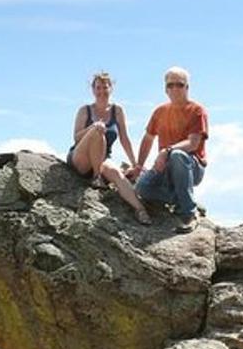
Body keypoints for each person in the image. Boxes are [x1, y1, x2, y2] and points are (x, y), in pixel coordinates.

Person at [129, 66, 208, 233]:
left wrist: (167, 151)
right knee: (142, 188)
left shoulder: (197, 111)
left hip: (191, 167)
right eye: (170, 85)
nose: (174, 89)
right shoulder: (160, 112)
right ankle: (182, 198)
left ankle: (189, 214)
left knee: (177, 155)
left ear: (187, 87)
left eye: (179, 84)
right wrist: (138, 166)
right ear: (165, 89)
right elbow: (148, 139)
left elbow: (193, 144)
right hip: (166, 170)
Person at [67, 72, 153, 225]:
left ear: (111, 88)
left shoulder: (117, 110)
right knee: (98, 130)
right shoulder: (85, 110)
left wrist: (135, 164)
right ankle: (96, 177)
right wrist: (93, 128)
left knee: (116, 173)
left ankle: (140, 210)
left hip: (103, 158)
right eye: (98, 88)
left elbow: (124, 138)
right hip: (81, 157)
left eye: (105, 87)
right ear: (93, 90)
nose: (101, 91)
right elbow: (76, 137)